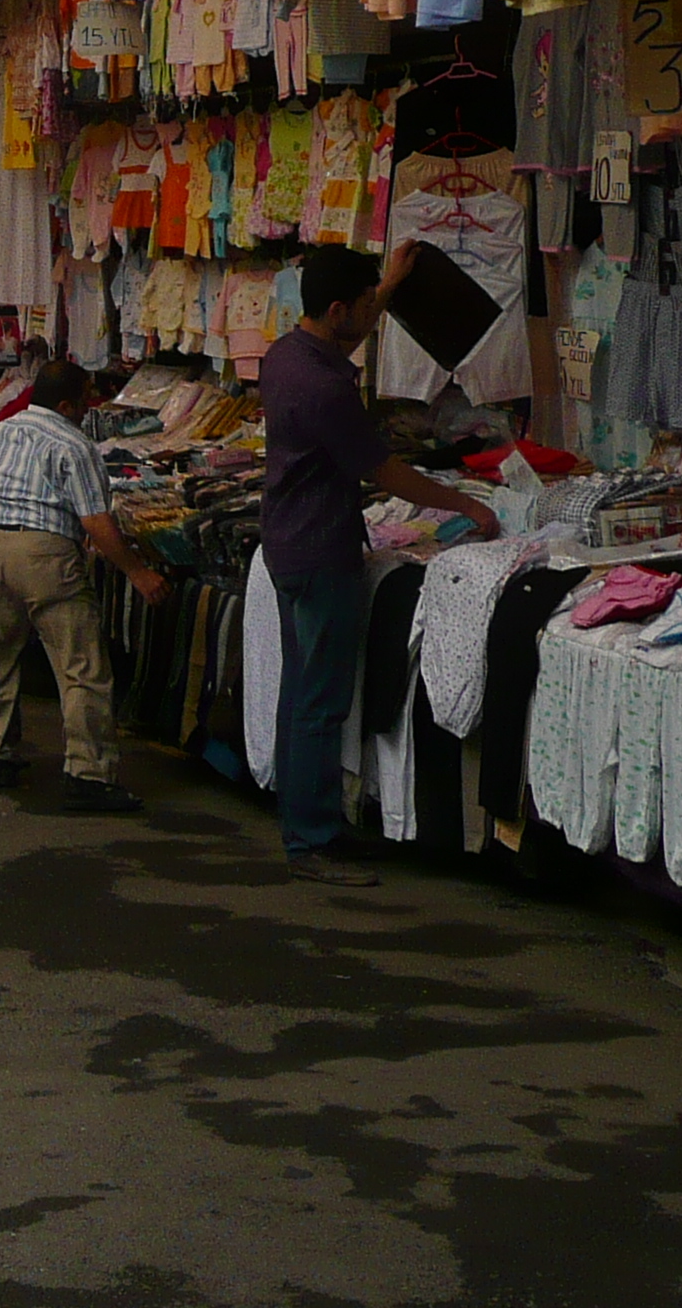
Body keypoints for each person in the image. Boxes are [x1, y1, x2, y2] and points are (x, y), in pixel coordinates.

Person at [260, 244, 503, 884]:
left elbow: (349, 330)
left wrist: (389, 284)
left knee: (301, 694)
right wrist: (466, 505)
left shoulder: (287, 355)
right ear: (338, 308)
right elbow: (382, 469)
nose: (371, 314)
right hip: (319, 550)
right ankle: (310, 840)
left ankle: (307, 826)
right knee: (318, 700)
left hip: (290, 541)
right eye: (364, 305)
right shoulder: (321, 386)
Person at [0, 360, 171, 813]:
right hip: (45, 554)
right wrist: (137, 572)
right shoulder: (74, 445)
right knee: (82, 668)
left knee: (1, 653)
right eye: (83, 401)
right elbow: (95, 521)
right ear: (65, 404)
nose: (86, 410)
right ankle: (89, 773)